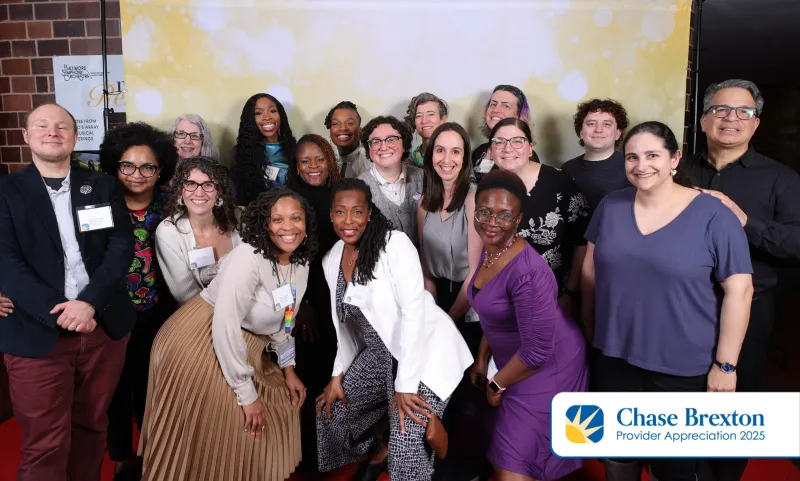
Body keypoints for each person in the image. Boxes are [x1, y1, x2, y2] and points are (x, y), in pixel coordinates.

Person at [581, 121, 754, 481]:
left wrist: (726, 367)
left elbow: (740, 291)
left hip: (681, 366)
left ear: (674, 159)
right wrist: (589, 330)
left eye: (652, 155)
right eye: (632, 157)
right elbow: (589, 272)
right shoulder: (611, 206)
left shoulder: (714, 214)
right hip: (615, 357)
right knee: (618, 455)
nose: (641, 165)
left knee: (673, 467)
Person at [139, 188, 319, 481]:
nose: (288, 227)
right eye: (277, 219)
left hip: (245, 344)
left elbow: (286, 320)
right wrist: (246, 395)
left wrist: (289, 368)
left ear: (306, 223)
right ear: (265, 224)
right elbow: (225, 325)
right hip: (200, 339)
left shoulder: (301, 262)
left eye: (296, 218)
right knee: (233, 426)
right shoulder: (248, 258)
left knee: (278, 405)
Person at [0, 103, 135, 481]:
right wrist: (62, 311)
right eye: (42, 125)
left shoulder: (103, 186)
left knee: (92, 427)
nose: (52, 132)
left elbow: (120, 247)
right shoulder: (7, 191)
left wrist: (88, 303)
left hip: (101, 327)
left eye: (62, 126)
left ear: (75, 137)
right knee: (45, 443)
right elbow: (7, 263)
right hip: (35, 331)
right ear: (26, 136)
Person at [681, 79, 800, 481]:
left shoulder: (781, 179)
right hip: (683, 307)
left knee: (730, 407)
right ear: (703, 120)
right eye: (720, 109)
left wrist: (745, 221)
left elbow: (796, 244)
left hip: (749, 311)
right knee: (680, 402)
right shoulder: (679, 171)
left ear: (756, 123)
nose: (730, 118)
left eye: (743, 112)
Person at [316, 178, 473, 481]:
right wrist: (337, 374)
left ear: (369, 213)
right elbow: (344, 327)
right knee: (332, 412)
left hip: (422, 352)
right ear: (331, 215)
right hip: (380, 354)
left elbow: (414, 313)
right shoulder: (332, 258)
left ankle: (416, 465)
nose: (348, 220)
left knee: (406, 437)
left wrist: (406, 386)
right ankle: (378, 452)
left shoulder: (394, 245)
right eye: (340, 212)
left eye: (357, 211)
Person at [468, 169, 588, 481]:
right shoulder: (492, 249)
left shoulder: (528, 272)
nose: (491, 222)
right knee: (509, 455)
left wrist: (496, 383)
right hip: (516, 362)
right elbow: (496, 316)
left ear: (519, 219)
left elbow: (537, 351)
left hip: (550, 365)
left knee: (512, 465)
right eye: (484, 211)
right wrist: (482, 357)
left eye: (504, 215)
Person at [98, 121, 178, 481]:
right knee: (115, 390)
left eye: (147, 167)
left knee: (153, 388)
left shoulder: (172, 206)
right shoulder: (100, 204)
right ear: (115, 166)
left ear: (160, 170)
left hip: (158, 314)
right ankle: (121, 456)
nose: (137, 174)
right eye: (127, 165)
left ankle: (152, 455)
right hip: (109, 314)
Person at [286, 134, 343, 473]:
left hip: (338, 296)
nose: (313, 167)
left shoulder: (341, 194)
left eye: (319, 159)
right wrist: (302, 303)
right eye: (305, 161)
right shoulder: (289, 200)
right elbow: (285, 256)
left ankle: (332, 450)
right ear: (296, 166)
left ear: (330, 160)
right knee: (307, 373)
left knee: (335, 372)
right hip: (305, 301)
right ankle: (307, 454)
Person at [155, 156, 243, 305]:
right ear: (180, 190)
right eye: (190, 184)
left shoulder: (239, 218)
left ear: (220, 191)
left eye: (208, 185)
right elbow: (185, 295)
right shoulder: (168, 232)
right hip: (201, 312)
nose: (199, 193)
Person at [357, 115, 424, 245]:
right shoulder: (358, 188)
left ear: (404, 144)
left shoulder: (424, 179)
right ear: (368, 148)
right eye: (376, 141)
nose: (383, 147)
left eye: (391, 139)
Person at [561, 98, 631, 213]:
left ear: (617, 134)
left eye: (606, 124)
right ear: (581, 133)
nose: (598, 130)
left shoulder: (632, 167)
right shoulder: (567, 169)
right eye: (591, 124)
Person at [230, 93, 297, 205]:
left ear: (281, 115)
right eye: (258, 113)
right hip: (255, 211)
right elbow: (237, 194)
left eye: (272, 111)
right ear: (251, 119)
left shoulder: (295, 149)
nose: (267, 117)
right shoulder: (240, 153)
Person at [471, 85, 536, 181]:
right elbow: (479, 182)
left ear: (519, 115)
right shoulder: (479, 151)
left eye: (506, 106)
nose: (496, 110)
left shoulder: (524, 154)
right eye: (493, 104)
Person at [324, 101, 370, 178]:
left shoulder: (368, 160)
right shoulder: (325, 155)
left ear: (360, 130)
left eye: (350, 123)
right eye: (336, 123)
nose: (343, 128)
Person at [404, 92, 449, 167]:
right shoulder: (409, 161)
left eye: (430, 114)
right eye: (418, 116)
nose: (424, 121)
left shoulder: (457, 155)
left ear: (443, 119)